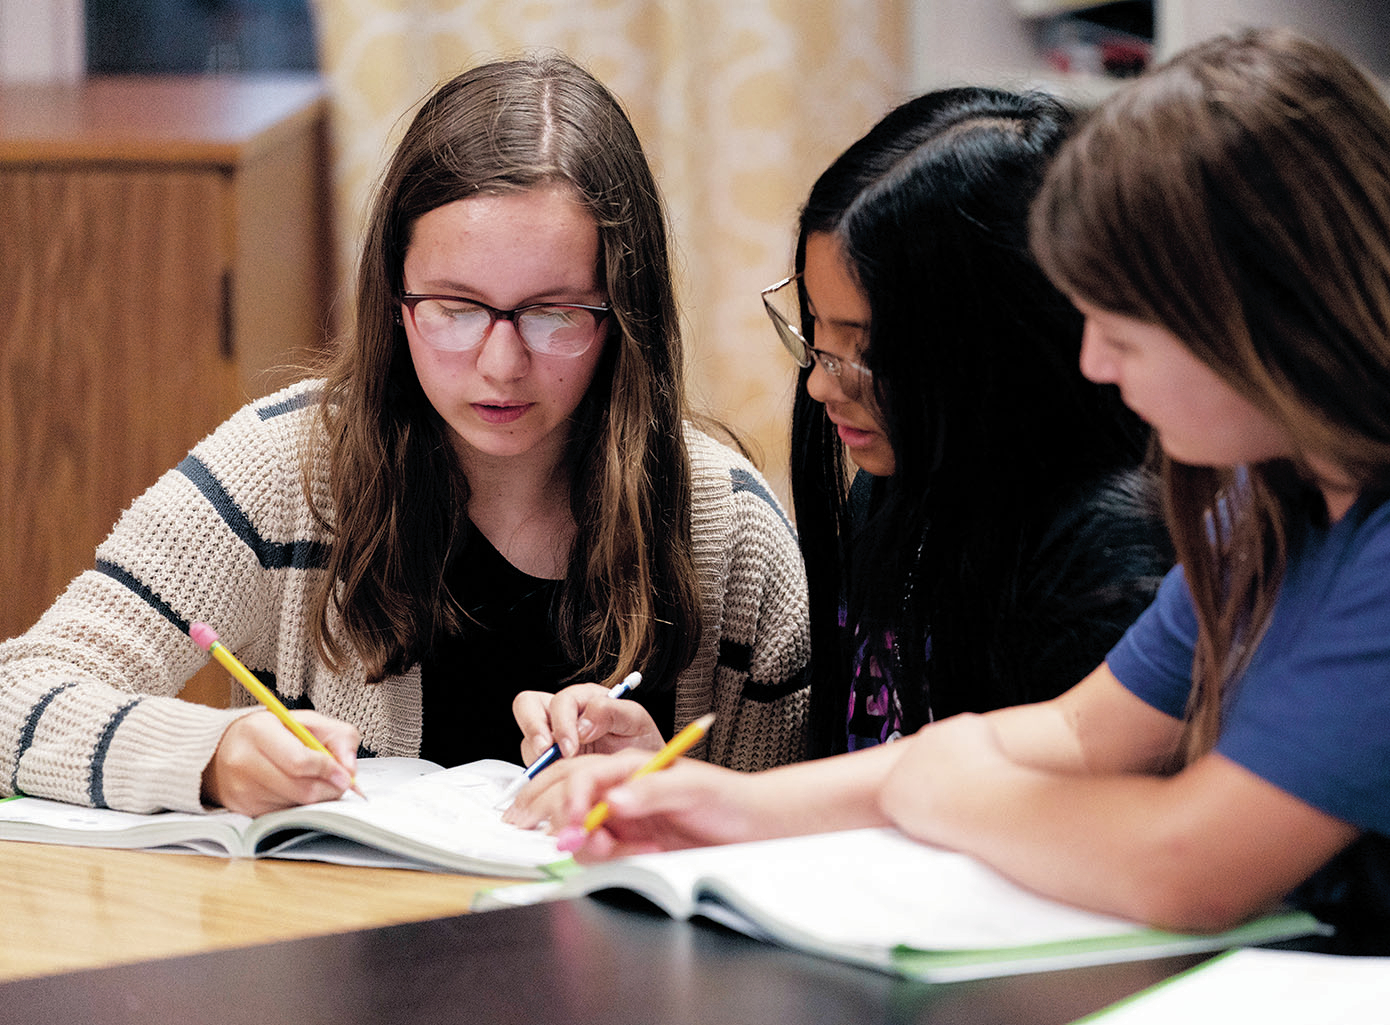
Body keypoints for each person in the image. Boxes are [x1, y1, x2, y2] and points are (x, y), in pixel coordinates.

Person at [524, 29, 1390, 957]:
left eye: (1124, 330)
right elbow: (1070, 736)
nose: (1092, 364)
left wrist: (921, 791)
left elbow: (1190, 862)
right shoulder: (1268, 502)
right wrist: (731, 804)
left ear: (1261, 321)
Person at [0, 53, 810, 817]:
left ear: (624, 315)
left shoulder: (727, 526)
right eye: (455, 309)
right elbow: (17, 695)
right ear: (395, 296)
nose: (500, 365)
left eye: (554, 313)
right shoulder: (287, 467)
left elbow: (810, 833)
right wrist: (210, 756)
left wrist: (670, 781)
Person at [506, 88, 1170, 833]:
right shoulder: (894, 493)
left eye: (866, 349)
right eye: (817, 332)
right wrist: (673, 776)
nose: (821, 380)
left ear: (998, 345)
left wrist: (726, 808)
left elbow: (1037, 827)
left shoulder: (1119, 562)